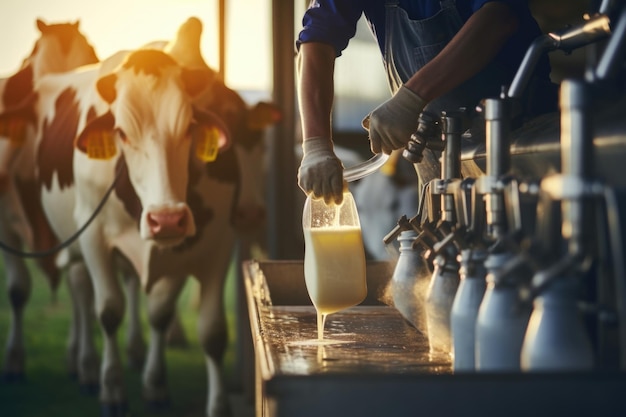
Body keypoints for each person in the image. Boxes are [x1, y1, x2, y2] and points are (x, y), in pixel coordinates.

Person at [296, 0, 556, 208]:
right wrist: (316, 145)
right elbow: (317, 41)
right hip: (435, 153)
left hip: (517, 144)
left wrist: (411, 98)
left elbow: (498, 17)